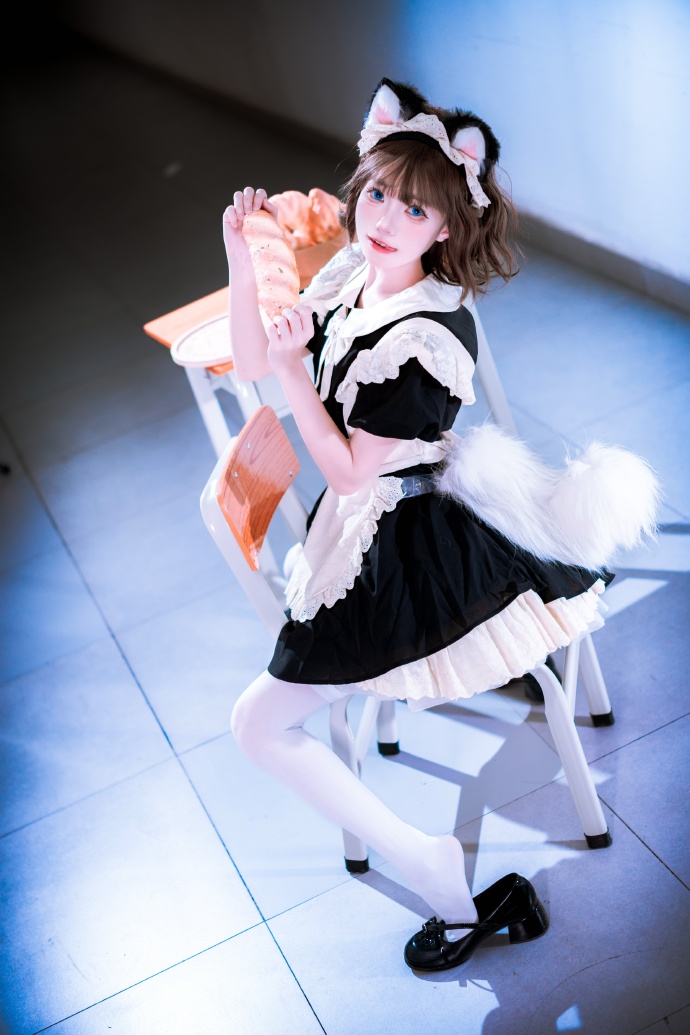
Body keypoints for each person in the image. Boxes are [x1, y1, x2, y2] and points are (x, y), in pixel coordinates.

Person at [221, 78, 658, 971]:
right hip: (358, 524)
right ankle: (428, 862)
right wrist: (240, 256)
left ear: (447, 229)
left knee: (258, 724)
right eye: (379, 192)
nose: (385, 218)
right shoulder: (353, 273)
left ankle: (432, 867)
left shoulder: (428, 339)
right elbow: (257, 354)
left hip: (404, 540)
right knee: (259, 723)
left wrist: (298, 374)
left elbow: (347, 466)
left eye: (414, 209)